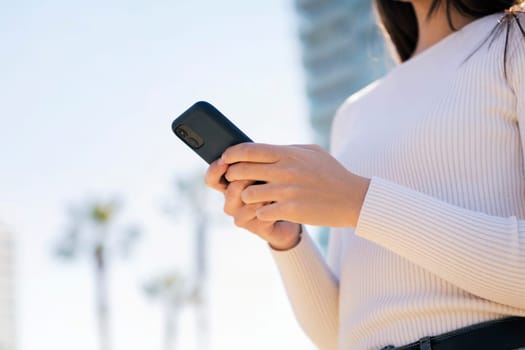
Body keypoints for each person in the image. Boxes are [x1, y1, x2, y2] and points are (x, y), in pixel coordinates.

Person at [205, 0, 525, 349]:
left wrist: (358, 201)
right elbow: (339, 338)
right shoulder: (353, 112)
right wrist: (288, 242)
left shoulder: (515, 39)